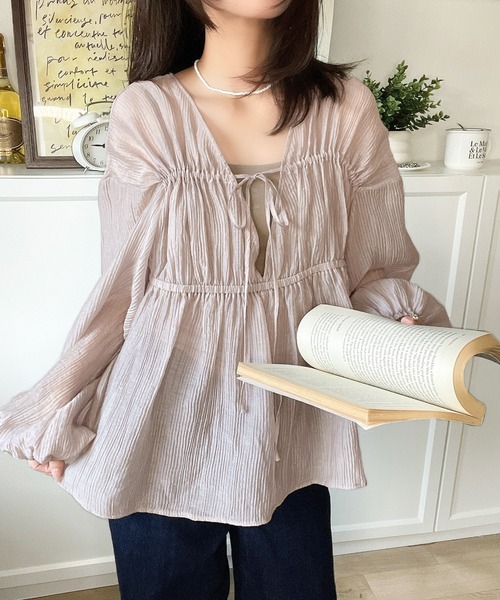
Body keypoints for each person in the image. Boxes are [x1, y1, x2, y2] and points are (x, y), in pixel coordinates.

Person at [0, 1, 451, 598]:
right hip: (161, 418)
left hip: (290, 422)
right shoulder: (147, 110)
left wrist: (393, 326)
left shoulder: (344, 109)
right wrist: (66, 406)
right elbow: (123, 289)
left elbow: (376, 268)